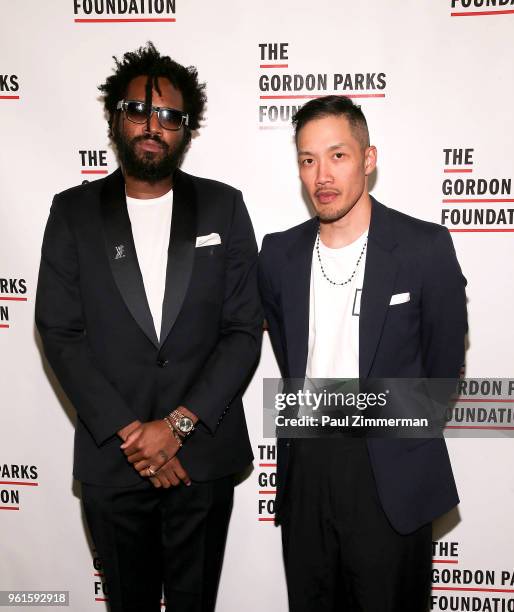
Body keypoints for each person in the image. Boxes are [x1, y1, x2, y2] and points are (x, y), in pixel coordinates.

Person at [35, 42, 262, 612]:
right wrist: (135, 435)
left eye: (169, 116)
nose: (152, 126)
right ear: (116, 117)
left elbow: (242, 328)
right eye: (138, 110)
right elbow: (59, 331)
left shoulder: (224, 207)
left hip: (202, 458)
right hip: (115, 459)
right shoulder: (73, 212)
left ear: (187, 129)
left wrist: (177, 426)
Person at [258, 95, 468, 611]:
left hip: (391, 472)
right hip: (305, 469)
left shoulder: (424, 248)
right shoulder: (279, 253)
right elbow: (289, 360)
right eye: (308, 160)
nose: (321, 175)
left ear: (368, 159)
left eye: (338, 155)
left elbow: (440, 373)